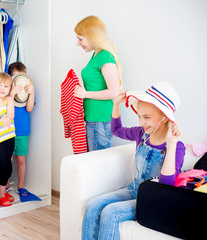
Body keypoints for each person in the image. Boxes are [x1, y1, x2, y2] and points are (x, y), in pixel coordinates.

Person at [81, 81, 186, 240]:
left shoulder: (176, 147)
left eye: (147, 117)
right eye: (139, 116)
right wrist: (116, 105)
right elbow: (116, 130)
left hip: (152, 199)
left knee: (111, 213)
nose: (141, 122)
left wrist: (171, 144)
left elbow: (166, 184)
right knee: (93, 205)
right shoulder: (140, 133)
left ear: (164, 117)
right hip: (134, 189)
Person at [73, 15, 121, 151]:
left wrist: (86, 94)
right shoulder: (96, 55)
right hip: (94, 119)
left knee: (96, 164)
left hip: (99, 120)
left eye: (80, 39)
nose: (78, 43)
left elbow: (114, 92)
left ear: (92, 36)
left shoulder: (105, 56)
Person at [7, 62, 39, 201]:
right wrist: (12, 92)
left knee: (21, 159)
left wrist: (32, 93)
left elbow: (30, 108)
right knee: (7, 159)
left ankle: (21, 185)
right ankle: (5, 185)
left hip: (23, 131)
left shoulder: (26, 93)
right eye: (15, 76)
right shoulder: (7, 93)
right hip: (7, 131)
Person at [0, 72, 16, 207]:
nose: (2, 88)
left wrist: (6, 117)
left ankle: (3, 190)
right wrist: (0, 118)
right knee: (5, 167)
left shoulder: (8, 100)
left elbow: (11, 114)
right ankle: (1, 195)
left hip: (10, 137)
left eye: (5, 86)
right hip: (0, 140)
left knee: (9, 167)